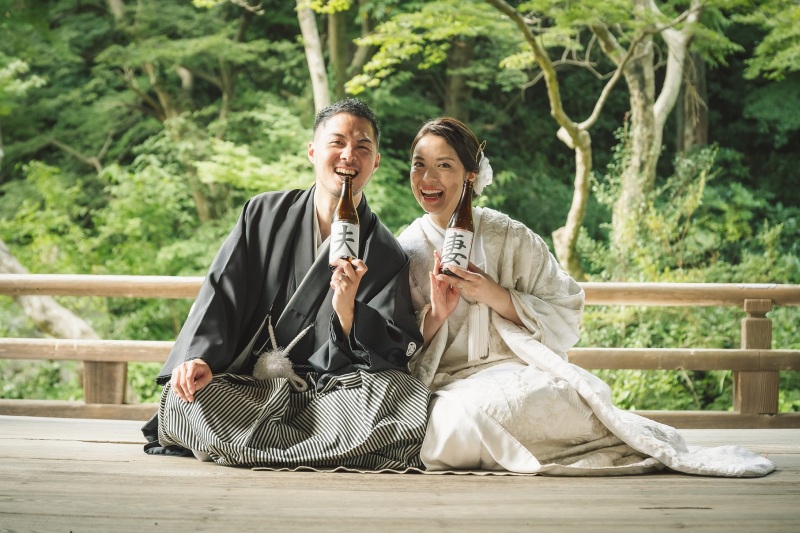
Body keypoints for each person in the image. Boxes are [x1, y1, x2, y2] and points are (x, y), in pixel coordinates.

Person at [396, 117, 775, 477]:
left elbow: (566, 306)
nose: (428, 178)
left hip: (517, 371)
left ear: (470, 176)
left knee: (549, 398)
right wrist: (436, 316)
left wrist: (494, 294)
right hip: (449, 382)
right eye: (419, 165)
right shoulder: (406, 249)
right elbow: (393, 346)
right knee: (454, 425)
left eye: (444, 165)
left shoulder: (509, 235)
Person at [141, 98, 428, 470]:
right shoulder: (263, 214)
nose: (348, 155)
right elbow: (221, 293)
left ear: (376, 162)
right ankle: (306, 449)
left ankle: (240, 445)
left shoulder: (386, 252)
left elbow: (385, 352)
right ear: (312, 151)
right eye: (337, 142)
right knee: (188, 395)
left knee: (398, 393)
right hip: (243, 386)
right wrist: (199, 358)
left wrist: (347, 310)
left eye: (362, 147)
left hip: (320, 396)